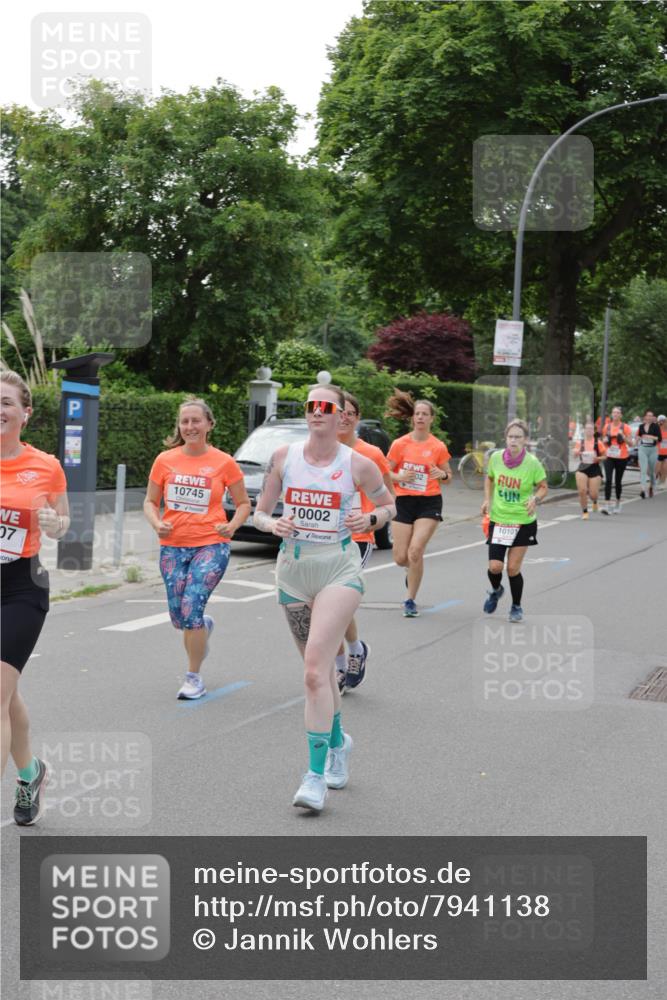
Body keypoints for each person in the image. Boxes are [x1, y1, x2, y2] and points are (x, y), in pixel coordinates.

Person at [253, 383, 395, 813]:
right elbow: (260, 511)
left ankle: (313, 777)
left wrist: (368, 516)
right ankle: (338, 743)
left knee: (315, 670)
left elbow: (390, 506)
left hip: (338, 567)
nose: (317, 412)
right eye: (311, 406)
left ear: (341, 417)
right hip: (293, 571)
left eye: (325, 407)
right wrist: (270, 525)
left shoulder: (359, 464)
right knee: (318, 675)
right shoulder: (283, 458)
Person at [144, 397, 250, 700]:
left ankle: (193, 677)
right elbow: (150, 502)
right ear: (179, 426)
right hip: (173, 546)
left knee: (190, 610)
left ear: (209, 424)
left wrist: (231, 527)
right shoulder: (165, 460)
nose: (190, 426)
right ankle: (202, 626)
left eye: (196, 421)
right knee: (180, 618)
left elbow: (243, 503)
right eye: (185, 421)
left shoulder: (223, 462)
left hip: (211, 544)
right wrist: (156, 523)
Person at [1, 370, 70, 825]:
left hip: (21, 588)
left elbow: (64, 521)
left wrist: (53, 524)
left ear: (25, 413)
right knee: (7, 698)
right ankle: (31, 774)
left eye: (6, 402)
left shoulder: (45, 465)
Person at [334, 391, 394, 692]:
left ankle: (345, 663)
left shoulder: (371, 454)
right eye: (339, 411)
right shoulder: (319, 451)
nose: (344, 417)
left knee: (335, 604)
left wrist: (372, 519)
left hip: (357, 537)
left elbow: (389, 500)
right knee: (323, 603)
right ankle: (352, 652)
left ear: (357, 418)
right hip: (322, 538)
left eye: (350, 413)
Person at [385, 390, 452, 618]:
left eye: (425, 414)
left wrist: (440, 475)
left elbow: (448, 476)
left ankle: (410, 600)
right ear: (412, 418)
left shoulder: (438, 446)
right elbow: (385, 471)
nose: (421, 417)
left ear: (432, 419)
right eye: (417, 414)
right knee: (400, 558)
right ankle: (411, 570)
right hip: (403, 501)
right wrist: (399, 478)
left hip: (429, 503)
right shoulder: (399, 444)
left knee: (415, 551)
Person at [481, 419, 548, 623]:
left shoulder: (533, 463)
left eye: (518, 437)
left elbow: (543, 486)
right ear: (505, 438)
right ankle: (496, 590)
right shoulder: (495, 459)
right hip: (499, 519)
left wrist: (535, 498)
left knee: (512, 568)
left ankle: (516, 606)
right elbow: (490, 478)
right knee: (495, 567)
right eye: (510, 436)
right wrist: (487, 499)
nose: (513, 440)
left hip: (523, 521)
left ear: (525, 440)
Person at [600, 406, 634, 514]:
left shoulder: (625, 427)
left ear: (621, 415)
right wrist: (604, 440)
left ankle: (618, 503)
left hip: (621, 457)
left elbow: (631, 443)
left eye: (617, 413)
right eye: (613, 412)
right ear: (611, 414)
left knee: (618, 481)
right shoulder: (607, 427)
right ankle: (607, 504)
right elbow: (603, 441)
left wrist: (623, 437)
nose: (615, 414)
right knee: (608, 480)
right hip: (609, 456)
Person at [573, 421, 606, 518]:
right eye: (587, 429)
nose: (589, 431)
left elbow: (605, 456)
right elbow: (575, 454)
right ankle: (585, 512)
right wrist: (576, 452)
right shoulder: (580, 442)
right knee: (582, 491)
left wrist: (598, 458)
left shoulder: (598, 443)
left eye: (591, 429)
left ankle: (595, 501)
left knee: (593, 494)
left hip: (594, 468)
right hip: (583, 467)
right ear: (584, 430)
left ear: (593, 431)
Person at [636, 409, 661, 499]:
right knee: (643, 469)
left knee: (651, 471)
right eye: (648, 415)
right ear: (645, 417)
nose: (649, 417)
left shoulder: (656, 426)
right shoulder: (641, 426)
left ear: (653, 417)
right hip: (642, 449)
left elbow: (659, 438)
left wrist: (650, 437)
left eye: (651, 415)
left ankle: (652, 485)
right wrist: (638, 438)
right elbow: (638, 436)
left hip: (653, 450)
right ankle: (643, 489)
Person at [657, 415, 667, 487]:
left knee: (665, 468)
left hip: (666, 452)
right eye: (660, 421)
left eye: (663, 421)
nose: (662, 422)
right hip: (658, 452)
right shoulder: (656, 430)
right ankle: (660, 480)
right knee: (659, 469)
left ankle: (663, 482)